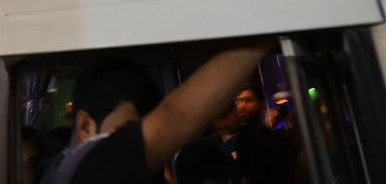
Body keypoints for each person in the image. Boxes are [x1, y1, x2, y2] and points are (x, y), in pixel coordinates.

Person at [47, 43, 273, 184]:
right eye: (126, 135)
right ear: (85, 126)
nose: (153, 144)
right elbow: (175, 116)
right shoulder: (80, 170)